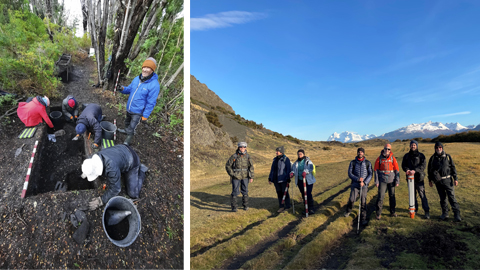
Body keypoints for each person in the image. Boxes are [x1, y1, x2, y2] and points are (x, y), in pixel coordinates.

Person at [81, 144, 148, 210]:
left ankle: (142, 169)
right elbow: (89, 165)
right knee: (116, 172)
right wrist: (86, 173)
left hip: (132, 160)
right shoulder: (93, 158)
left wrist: (101, 200)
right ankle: (122, 166)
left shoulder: (111, 168)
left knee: (133, 194)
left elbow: (116, 189)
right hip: (121, 149)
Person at [116, 57, 160, 145]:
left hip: (138, 111)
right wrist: (122, 88)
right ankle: (125, 130)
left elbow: (151, 102)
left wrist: (145, 116)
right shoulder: (137, 78)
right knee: (127, 121)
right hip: (129, 107)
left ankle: (127, 141)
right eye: (144, 67)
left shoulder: (154, 85)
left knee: (132, 126)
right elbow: (129, 89)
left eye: (148, 68)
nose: (145, 70)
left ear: (152, 70)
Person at [427, 142, 461, 221]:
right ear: (435, 149)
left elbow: (453, 168)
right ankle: (445, 214)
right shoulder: (432, 158)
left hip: (448, 180)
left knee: (452, 197)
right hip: (438, 182)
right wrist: (430, 180)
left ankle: (457, 214)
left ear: (442, 148)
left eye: (440, 147)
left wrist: (455, 178)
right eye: (436, 148)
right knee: (442, 198)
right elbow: (429, 170)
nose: (438, 149)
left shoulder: (448, 157)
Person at [402, 140, 430, 219]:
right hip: (410, 179)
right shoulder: (406, 156)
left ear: (416, 146)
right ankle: (414, 209)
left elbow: (423, 166)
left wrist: (415, 170)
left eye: (414, 145)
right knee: (412, 195)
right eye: (412, 145)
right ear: (410, 146)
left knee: (422, 194)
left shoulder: (421, 155)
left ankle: (426, 211)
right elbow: (403, 165)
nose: (413, 146)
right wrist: (407, 170)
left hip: (419, 178)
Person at [345, 148, 373, 225]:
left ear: (363, 153)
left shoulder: (368, 163)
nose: (360, 153)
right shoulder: (353, 162)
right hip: (355, 184)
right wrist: (357, 179)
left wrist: (364, 182)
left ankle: (363, 218)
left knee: (363, 202)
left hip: (364, 186)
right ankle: (348, 211)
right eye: (359, 152)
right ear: (357, 153)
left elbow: (370, 174)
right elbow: (350, 173)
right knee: (352, 199)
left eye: (361, 152)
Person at [225, 142, 254, 212]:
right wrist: (233, 174)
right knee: (235, 192)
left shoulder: (248, 156)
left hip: (245, 177)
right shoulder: (234, 156)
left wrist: (251, 177)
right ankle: (234, 207)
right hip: (236, 177)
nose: (242, 148)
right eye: (241, 147)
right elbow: (228, 166)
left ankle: (245, 205)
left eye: (244, 147)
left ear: (246, 147)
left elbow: (251, 167)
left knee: (245, 191)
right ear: (238, 147)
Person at [374, 143, 400, 219]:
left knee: (392, 196)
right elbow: (375, 170)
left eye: (388, 149)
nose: (387, 150)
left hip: (391, 180)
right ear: (383, 149)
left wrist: (397, 181)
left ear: (390, 150)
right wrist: (376, 181)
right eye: (386, 148)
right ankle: (378, 213)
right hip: (382, 180)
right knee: (380, 197)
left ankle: (392, 212)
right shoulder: (379, 159)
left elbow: (397, 170)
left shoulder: (393, 158)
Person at [290, 149, 316, 216]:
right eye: (298, 154)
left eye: (301, 154)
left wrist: (305, 171)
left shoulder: (308, 161)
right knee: (303, 194)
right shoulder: (296, 163)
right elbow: (293, 169)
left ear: (303, 154)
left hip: (308, 181)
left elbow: (311, 168)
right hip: (300, 181)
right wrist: (292, 173)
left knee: (308, 194)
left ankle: (311, 208)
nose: (299, 155)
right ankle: (306, 208)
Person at [268, 146, 291, 213]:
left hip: (283, 179)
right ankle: (281, 206)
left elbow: (288, 169)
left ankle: (288, 206)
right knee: (279, 193)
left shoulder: (286, 159)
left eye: (277, 151)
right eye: (276, 151)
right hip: (276, 180)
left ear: (281, 152)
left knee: (285, 193)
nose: (276, 152)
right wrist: (270, 177)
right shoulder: (275, 160)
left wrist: (288, 178)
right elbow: (272, 169)